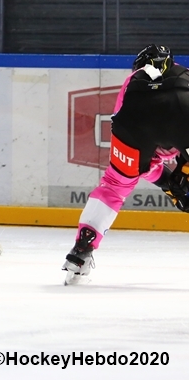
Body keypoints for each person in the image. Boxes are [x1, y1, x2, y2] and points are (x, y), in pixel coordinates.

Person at [62, 44, 189, 284]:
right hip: (184, 116)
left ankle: (81, 250)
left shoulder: (132, 82)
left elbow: (139, 153)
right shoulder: (185, 73)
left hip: (133, 127)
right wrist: (181, 166)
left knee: (113, 185)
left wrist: (166, 180)